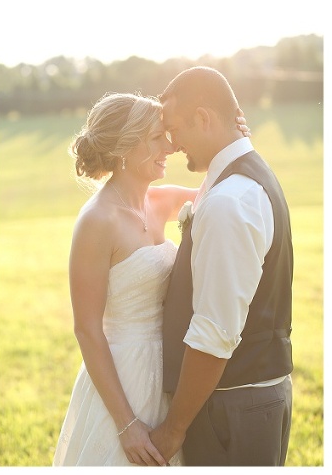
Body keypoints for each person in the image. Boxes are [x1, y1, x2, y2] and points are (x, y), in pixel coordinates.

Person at [52, 92, 250, 466]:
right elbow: (87, 331)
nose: (171, 147)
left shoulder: (159, 200)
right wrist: (126, 424)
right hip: (123, 378)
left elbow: (225, 188)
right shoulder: (97, 222)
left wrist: (238, 141)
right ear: (126, 147)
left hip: (171, 372)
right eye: (158, 137)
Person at [150, 66, 293, 466]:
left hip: (232, 408)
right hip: (245, 402)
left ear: (203, 119)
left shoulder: (229, 201)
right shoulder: (243, 173)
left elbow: (215, 332)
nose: (172, 142)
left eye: (175, 128)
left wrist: (173, 428)